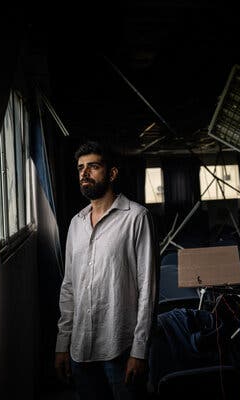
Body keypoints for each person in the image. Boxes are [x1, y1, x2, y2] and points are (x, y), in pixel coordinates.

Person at [55, 141, 158, 400]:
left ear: (111, 173)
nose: (84, 174)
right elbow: (69, 287)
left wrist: (139, 350)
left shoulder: (136, 217)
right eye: (80, 168)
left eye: (93, 167)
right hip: (80, 351)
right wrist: (62, 344)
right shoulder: (75, 224)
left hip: (120, 350)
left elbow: (148, 289)